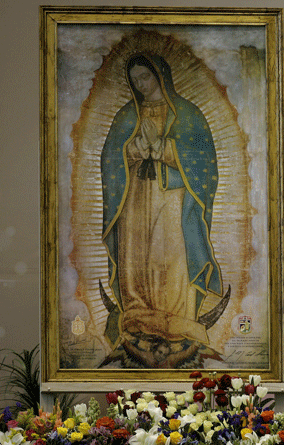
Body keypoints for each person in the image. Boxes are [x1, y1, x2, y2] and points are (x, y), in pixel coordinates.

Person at [99, 53, 227, 368]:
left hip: (173, 199)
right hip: (136, 200)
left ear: (160, 75)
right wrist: (130, 151)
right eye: (136, 79)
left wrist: (167, 151)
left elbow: (204, 161)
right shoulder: (126, 116)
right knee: (138, 256)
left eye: (146, 77)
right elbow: (109, 160)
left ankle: (177, 318)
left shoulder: (187, 114)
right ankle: (139, 316)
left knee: (171, 253)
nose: (141, 84)